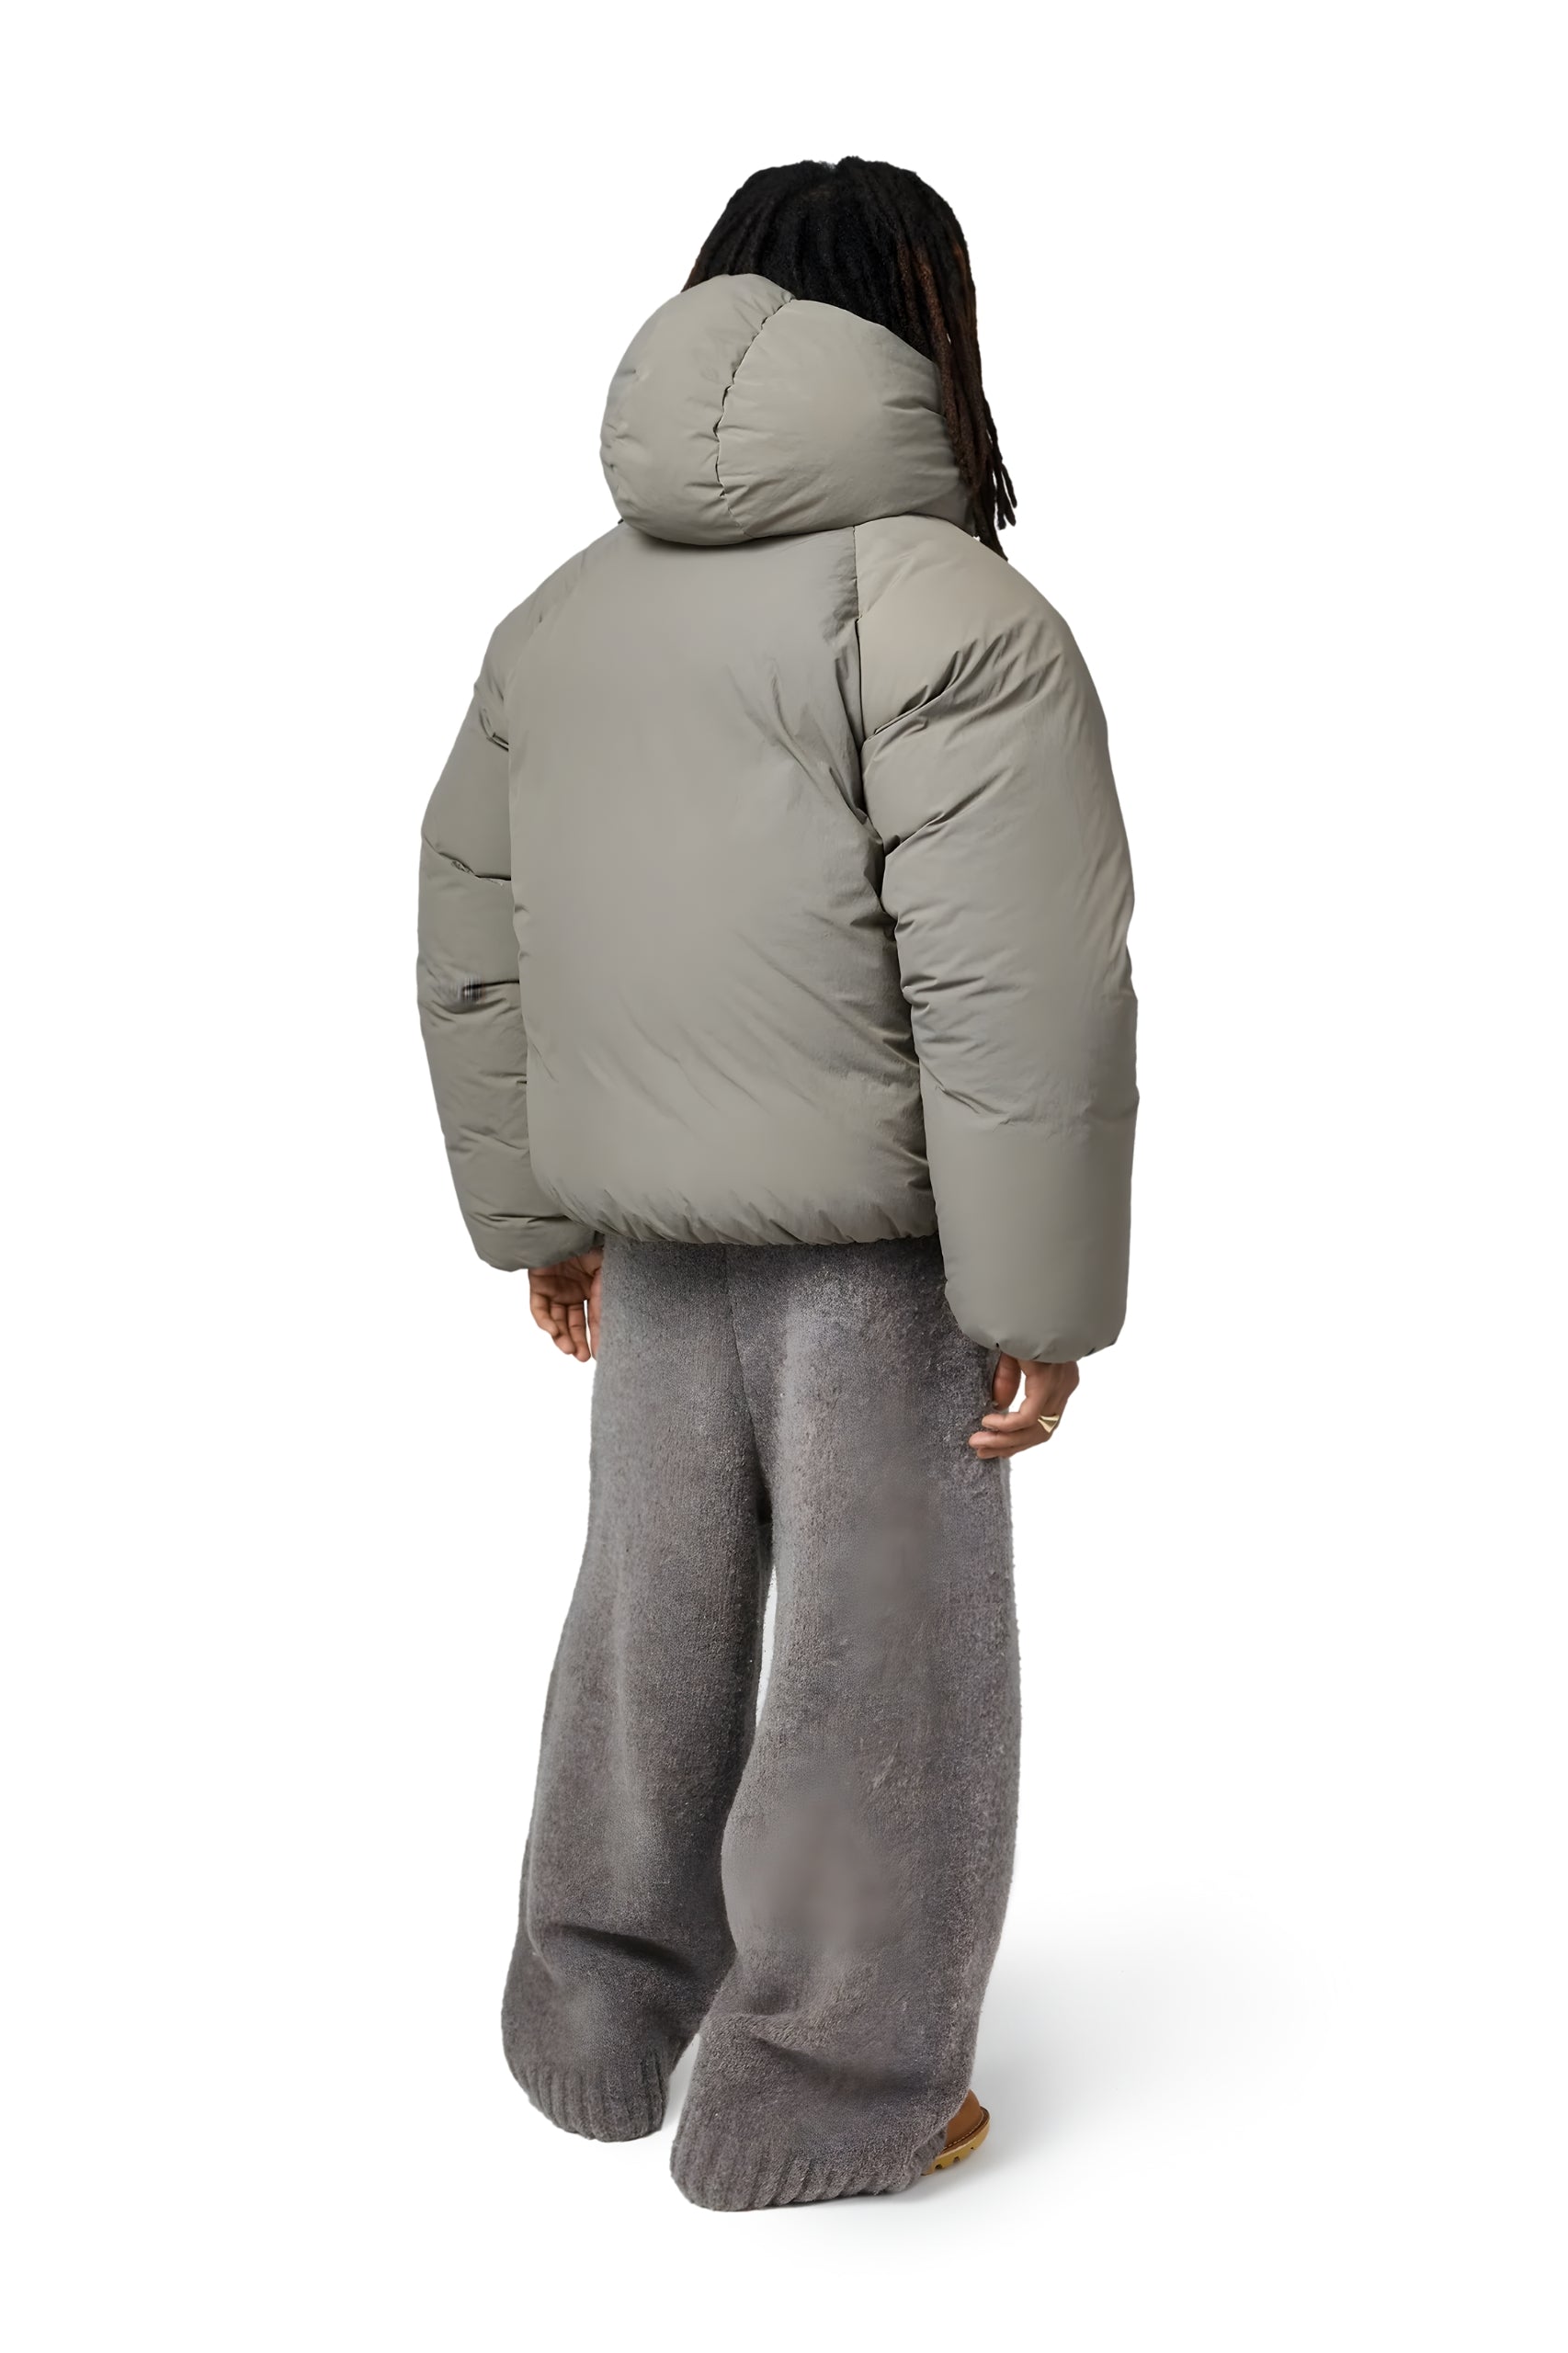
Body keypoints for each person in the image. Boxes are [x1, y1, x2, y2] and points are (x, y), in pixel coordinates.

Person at [416, 156, 1137, 2211]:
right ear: (927, 331)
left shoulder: (563, 613)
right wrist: (1037, 1300)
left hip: (649, 1241)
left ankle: (594, 2016)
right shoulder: (951, 609)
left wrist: (539, 1214)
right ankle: (819, 2097)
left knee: (643, 1630)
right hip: (881, 1257)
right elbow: (1020, 983)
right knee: (875, 1664)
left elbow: (471, 926)